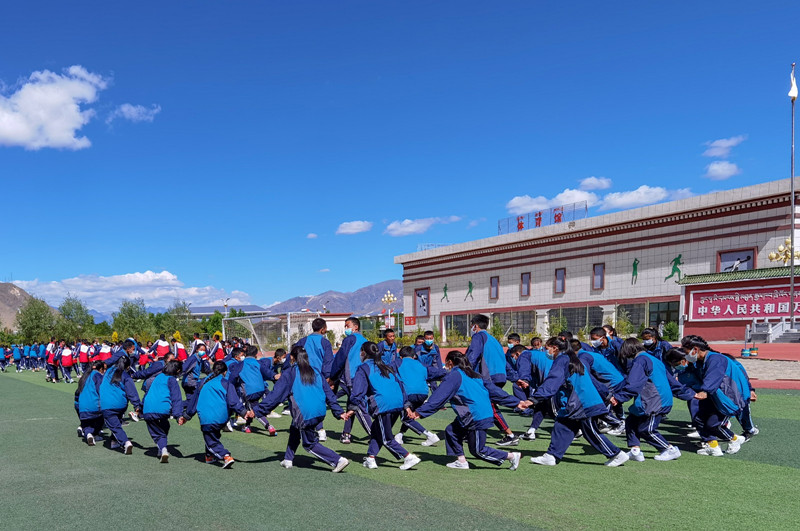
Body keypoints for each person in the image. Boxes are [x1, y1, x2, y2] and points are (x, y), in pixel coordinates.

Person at [408, 351, 523, 470]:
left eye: (446, 363)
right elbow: (495, 391)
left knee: (478, 450)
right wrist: (516, 402)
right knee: (451, 431)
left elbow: (439, 396)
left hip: (476, 415)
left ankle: (511, 456)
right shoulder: (474, 374)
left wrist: (420, 412)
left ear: (450, 362)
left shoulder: (454, 375)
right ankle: (461, 461)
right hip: (475, 413)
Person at [528, 337, 630, 467]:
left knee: (590, 432)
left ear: (555, 348)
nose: (545, 351)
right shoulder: (574, 359)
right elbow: (593, 380)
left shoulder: (562, 360)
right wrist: (607, 395)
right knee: (562, 425)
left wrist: (534, 399)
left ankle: (616, 454)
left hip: (582, 402)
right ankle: (551, 455)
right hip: (580, 401)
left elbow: (553, 381)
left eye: (547, 348)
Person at [254, 346, 352, 472]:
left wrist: (256, 411)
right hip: (320, 412)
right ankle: (288, 459)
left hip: (305, 414)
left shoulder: (290, 372)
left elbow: (275, 397)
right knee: (295, 427)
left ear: (292, 357)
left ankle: (338, 460)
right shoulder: (315, 370)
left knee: (309, 444)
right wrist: (339, 411)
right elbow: (328, 392)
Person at [611, 339, 696, 462]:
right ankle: (635, 451)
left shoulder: (640, 361)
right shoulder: (653, 359)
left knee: (646, 429)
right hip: (657, 399)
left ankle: (669, 449)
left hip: (654, 401)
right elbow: (672, 381)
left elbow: (633, 383)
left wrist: (619, 397)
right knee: (631, 422)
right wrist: (690, 393)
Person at [350, 342, 421, 470]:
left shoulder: (363, 368)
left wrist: (353, 406)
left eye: (361, 351)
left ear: (364, 353)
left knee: (387, 438)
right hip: (397, 402)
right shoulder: (386, 366)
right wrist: (406, 404)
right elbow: (400, 384)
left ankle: (408, 457)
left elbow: (358, 390)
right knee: (376, 431)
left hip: (383, 405)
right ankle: (371, 458)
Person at [680, 335, 749, 456]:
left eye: (686, 352)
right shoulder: (699, 362)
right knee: (699, 419)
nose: (686, 356)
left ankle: (735, 439)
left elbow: (713, 376)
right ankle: (713, 446)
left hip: (729, 397)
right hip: (714, 396)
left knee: (714, 424)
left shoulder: (716, 359)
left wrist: (704, 391)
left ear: (695, 350)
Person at [180, 361, 253, 468]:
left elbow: (194, 402)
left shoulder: (202, 382)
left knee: (211, 441)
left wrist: (186, 416)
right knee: (214, 434)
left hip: (207, 418)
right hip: (222, 417)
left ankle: (226, 456)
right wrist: (243, 412)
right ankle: (209, 456)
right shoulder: (226, 383)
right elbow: (233, 402)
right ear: (225, 372)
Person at [464, 314, 518, 446]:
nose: (471, 328)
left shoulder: (478, 337)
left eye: (471, 325)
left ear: (475, 326)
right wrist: (515, 378)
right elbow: (504, 362)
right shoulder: (494, 340)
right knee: (479, 403)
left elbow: (473, 355)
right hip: (499, 376)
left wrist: (464, 371)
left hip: (488, 377)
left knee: (489, 405)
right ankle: (470, 432)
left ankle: (510, 435)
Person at [330, 317, 372, 444]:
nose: (346, 328)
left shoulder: (350, 339)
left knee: (358, 406)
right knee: (351, 404)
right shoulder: (365, 340)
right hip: (363, 376)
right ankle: (346, 433)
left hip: (352, 377)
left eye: (347, 325)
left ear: (355, 327)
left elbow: (340, 358)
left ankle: (376, 435)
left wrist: (332, 377)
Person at [293, 318, 335, 439]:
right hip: (318, 376)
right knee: (318, 401)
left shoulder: (303, 340)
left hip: (302, 375)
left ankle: (307, 428)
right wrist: (328, 377)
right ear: (323, 329)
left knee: (305, 401)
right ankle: (320, 430)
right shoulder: (325, 342)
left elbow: (294, 355)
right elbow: (328, 361)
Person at [391, 346, 440, 446]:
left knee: (405, 418)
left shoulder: (398, 362)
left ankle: (430, 435)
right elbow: (436, 372)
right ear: (414, 356)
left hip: (408, 393)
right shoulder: (421, 364)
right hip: (423, 393)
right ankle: (400, 435)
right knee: (410, 415)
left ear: (401, 356)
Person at [228, 344, 278, 435]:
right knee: (249, 406)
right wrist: (274, 376)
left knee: (254, 408)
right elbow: (266, 372)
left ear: (245, 354)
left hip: (249, 390)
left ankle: (269, 426)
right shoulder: (258, 362)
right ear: (255, 355)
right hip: (261, 389)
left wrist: (229, 385)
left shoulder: (241, 364)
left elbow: (233, 377)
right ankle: (247, 426)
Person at [142, 360, 184, 463]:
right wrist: (178, 415)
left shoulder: (158, 377)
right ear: (177, 370)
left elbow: (148, 392)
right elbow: (176, 398)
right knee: (161, 430)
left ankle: (161, 447)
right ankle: (163, 448)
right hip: (162, 409)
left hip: (148, 409)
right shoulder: (172, 379)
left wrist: (140, 407)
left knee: (159, 428)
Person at [99, 353, 142, 454]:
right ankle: (114, 442)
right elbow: (131, 391)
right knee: (116, 423)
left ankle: (125, 442)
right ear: (127, 367)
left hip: (107, 404)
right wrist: (137, 405)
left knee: (114, 426)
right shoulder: (125, 375)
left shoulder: (108, 372)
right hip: (121, 404)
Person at [75, 361, 106, 446]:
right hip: (95, 405)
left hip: (82, 406)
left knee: (86, 423)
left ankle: (88, 434)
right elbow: (101, 389)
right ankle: (95, 434)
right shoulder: (97, 375)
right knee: (101, 418)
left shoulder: (84, 377)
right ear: (100, 369)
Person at [181, 343, 211, 410]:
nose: (202, 352)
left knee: (190, 401)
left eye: (204, 350)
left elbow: (205, 370)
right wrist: (176, 376)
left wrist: (205, 360)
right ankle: (176, 407)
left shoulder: (200, 359)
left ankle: (177, 408)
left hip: (193, 382)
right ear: (197, 350)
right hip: (189, 382)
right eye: (201, 350)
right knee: (196, 399)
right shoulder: (193, 359)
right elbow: (184, 368)